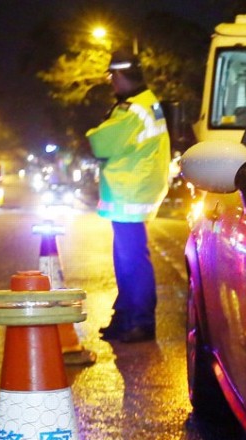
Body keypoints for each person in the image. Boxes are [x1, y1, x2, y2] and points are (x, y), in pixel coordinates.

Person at [86, 49, 171, 343]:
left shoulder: (132, 110)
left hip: (129, 192)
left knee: (131, 260)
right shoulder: (148, 103)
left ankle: (140, 321)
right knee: (128, 258)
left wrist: (95, 129)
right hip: (136, 190)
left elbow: (100, 143)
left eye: (112, 76)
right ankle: (125, 318)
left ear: (120, 75)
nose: (111, 82)